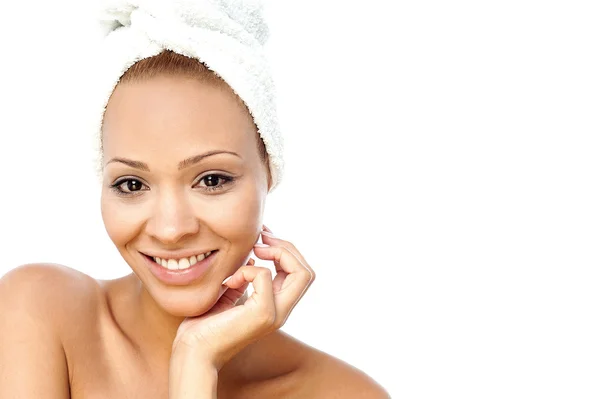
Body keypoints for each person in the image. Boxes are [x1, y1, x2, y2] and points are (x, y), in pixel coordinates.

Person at [0, 0, 389, 397]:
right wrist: (192, 366)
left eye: (212, 179)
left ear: (269, 171)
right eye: (132, 185)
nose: (171, 229)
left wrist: (197, 357)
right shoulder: (37, 311)